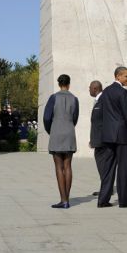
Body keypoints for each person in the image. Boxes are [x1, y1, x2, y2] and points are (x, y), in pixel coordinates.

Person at [97, 67, 127, 208]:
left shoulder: (105, 92)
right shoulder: (122, 92)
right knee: (123, 167)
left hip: (108, 136)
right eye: (126, 76)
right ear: (118, 76)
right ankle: (123, 200)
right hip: (122, 135)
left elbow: (100, 115)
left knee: (108, 168)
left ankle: (103, 200)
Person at [43, 74, 79, 209]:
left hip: (56, 132)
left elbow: (46, 118)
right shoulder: (75, 99)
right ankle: (67, 199)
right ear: (69, 84)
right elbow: (75, 117)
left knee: (59, 167)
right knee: (68, 166)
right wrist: (69, 125)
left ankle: (63, 199)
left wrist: (50, 130)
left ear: (59, 84)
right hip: (69, 131)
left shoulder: (53, 98)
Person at [89, 80, 103, 196]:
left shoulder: (103, 100)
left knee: (102, 164)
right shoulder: (98, 100)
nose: (88, 90)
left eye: (89, 88)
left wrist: (97, 138)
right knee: (101, 165)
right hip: (97, 139)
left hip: (102, 140)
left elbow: (102, 122)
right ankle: (105, 188)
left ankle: (105, 189)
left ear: (95, 88)